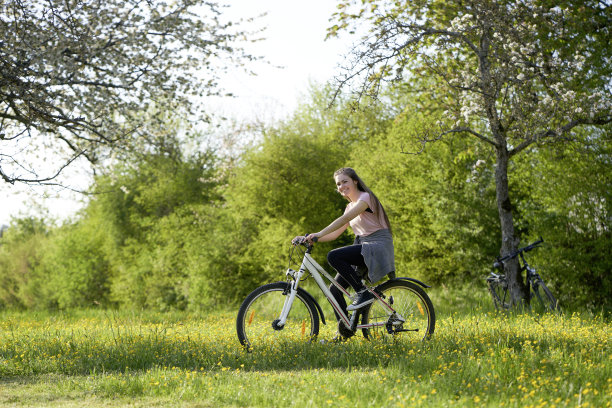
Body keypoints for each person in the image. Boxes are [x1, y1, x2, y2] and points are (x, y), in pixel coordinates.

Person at [293, 167, 395, 317]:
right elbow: (334, 234)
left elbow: (344, 220)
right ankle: (344, 331)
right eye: (338, 184)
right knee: (334, 290)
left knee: (334, 256)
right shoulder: (349, 207)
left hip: (377, 246)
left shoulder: (365, 198)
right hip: (363, 246)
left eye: (344, 182)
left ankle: (362, 292)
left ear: (355, 181)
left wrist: (319, 233)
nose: (341, 186)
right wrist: (310, 237)